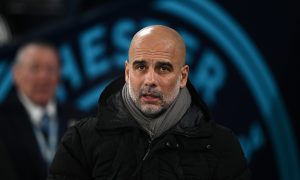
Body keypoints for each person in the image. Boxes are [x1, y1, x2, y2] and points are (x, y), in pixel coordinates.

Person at [48, 25, 251, 180]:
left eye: (163, 68)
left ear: (183, 76)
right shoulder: (81, 141)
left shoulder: (221, 145)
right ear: (127, 73)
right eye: (141, 67)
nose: (150, 80)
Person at [0, 41, 79, 180]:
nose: (43, 76)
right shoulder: (3, 121)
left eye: (50, 69)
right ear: (16, 73)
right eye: (34, 68)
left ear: (58, 75)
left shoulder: (81, 120)